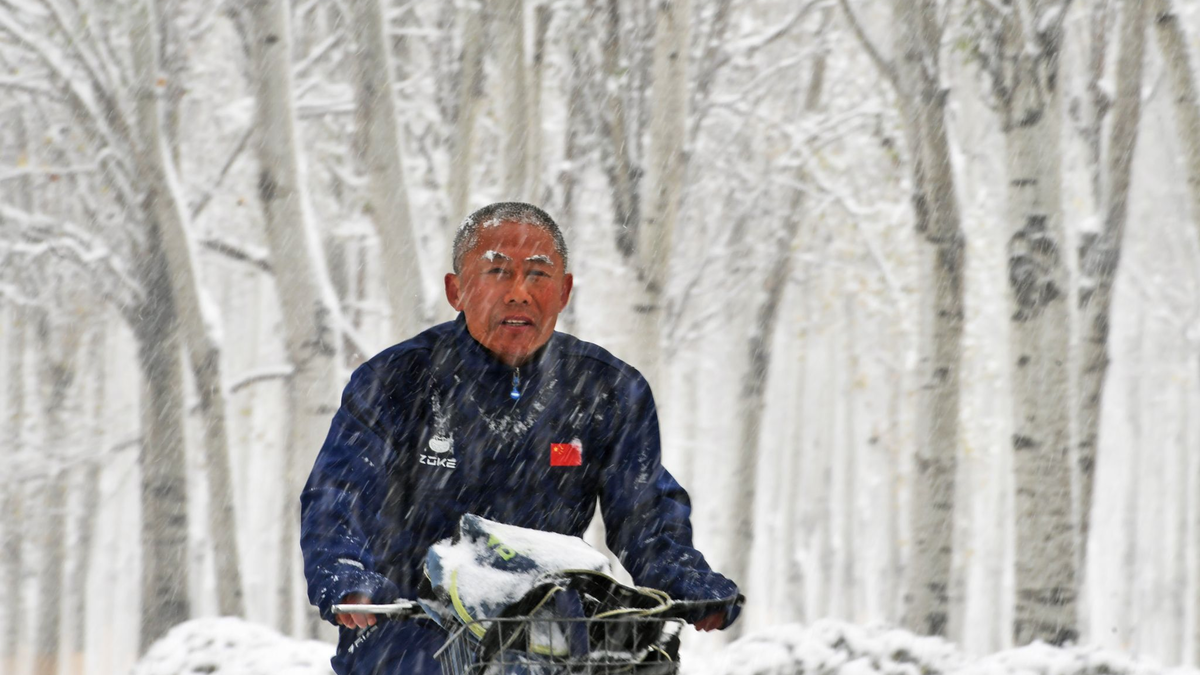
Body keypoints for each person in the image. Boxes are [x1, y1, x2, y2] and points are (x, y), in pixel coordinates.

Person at [300, 202, 740, 675]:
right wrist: (345, 574)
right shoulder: (394, 380)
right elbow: (338, 494)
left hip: (549, 637)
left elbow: (644, 511)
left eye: (537, 274)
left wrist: (683, 577)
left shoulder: (608, 389)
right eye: (496, 272)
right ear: (456, 290)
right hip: (408, 639)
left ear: (564, 290)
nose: (518, 293)